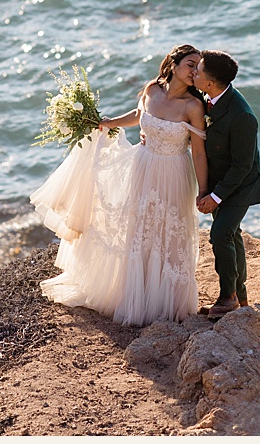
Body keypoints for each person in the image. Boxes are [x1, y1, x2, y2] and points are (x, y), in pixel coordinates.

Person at [30, 45, 208, 325]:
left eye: (198, 66)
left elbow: (198, 151)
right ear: (173, 65)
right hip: (144, 164)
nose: (194, 70)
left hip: (174, 172)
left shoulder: (193, 106)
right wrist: (110, 122)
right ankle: (136, 294)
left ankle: (167, 301)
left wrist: (204, 189)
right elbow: (139, 116)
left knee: (169, 232)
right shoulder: (152, 90)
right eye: (190, 63)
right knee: (140, 228)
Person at [190, 50, 260, 317]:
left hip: (240, 185)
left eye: (197, 71)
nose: (193, 74)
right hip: (221, 180)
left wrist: (216, 196)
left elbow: (242, 166)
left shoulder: (242, 116)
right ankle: (240, 297)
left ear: (210, 83)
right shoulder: (209, 95)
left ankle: (227, 297)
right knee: (232, 235)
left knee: (220, 234)